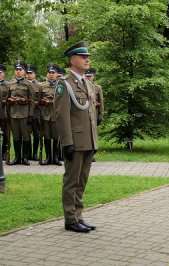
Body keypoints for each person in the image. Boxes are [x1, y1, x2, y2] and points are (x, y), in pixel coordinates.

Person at [54, 42, 98, 233]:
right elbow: (61, 116)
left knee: (82, 180)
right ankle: (70, 219)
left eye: (87, 56)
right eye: (83, 56)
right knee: (72, 181)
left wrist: (94, 139)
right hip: (75, 141)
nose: (87, 59)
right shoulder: (64, 84)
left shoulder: (87, 83)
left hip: (88, 140)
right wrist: (67, 142)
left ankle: (79, 215)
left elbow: (91, 114)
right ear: (73, 60)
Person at [7, 61, 35, 166]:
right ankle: (17, 158)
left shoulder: (28, 84)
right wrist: (7, 114)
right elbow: (7, 101)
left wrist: (31, 114)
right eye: (17, 70)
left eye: (20, 70)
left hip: (25, 114)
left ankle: (25, 158)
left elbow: (32, 101)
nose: (18, 72)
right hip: (13, 114)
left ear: (24, 72)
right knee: (16, 137)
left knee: (26, 137)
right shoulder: (11, 84)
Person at [40, 63, 62, 166]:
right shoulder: (42, 86)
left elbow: (64, 101)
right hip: (45, 115)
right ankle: (48, 157)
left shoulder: (61, 85)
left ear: (57, 73)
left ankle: (56, 158)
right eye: (49, 72)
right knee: (47, 137)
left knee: (56, 137)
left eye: (53, 72)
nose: (51, 74)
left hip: (56, 115)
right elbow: (38, 101)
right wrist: (43, 101)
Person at [85, 68, 104, 162]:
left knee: (93, 136)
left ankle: (92, 153)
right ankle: (85, 154)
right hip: (83, 116)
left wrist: (101, 115)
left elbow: (101, 102)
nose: (88, 77)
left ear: (93, 77)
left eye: (90, 76)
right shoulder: (82, 87)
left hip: (94, 115)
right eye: (87, 76)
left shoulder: (97, 87)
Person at [26, 64, 41, 161]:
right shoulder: (22, 84)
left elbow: (41, 99)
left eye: (30, 73)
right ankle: (27, 154)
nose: (28, 75)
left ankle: (35, 153)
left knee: (36, 134)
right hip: (25, 113)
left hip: (36, 114)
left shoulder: (39, 86)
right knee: (26, 134)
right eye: (27, 73)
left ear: (34, 74)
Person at [0, 65, 9, 160]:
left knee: (6, 134)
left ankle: (4, 153)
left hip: (3, 113)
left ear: (3, 74)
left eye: (0, 73)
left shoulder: (7, 85)